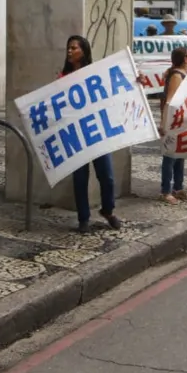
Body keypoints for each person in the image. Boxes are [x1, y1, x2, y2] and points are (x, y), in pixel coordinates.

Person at [61, 35, 122, 233]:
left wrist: (135, 80)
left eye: (74, 48)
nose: (70, 51)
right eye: (68, 48)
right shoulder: (63, 77)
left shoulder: (96, 74)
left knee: (107, 176)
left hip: (97, 133)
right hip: (77, 136)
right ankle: (83, 218)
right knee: (80, 179)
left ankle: (107, 210)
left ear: (84, 51)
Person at [159, 47, 187, 204]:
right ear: (184, 59)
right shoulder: (176, 75)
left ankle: (178, 187)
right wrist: (164, 123)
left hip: (182, 120)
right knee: (170, 156)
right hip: (173, 120)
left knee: (180, 154)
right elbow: (169, 100)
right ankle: (165, 190)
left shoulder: (183, 74)